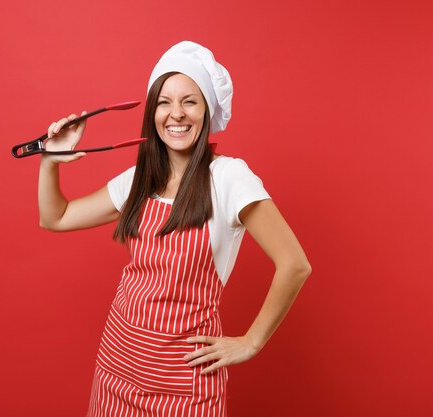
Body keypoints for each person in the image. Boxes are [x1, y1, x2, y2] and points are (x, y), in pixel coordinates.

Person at [37, 41, 311, 417]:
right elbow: (57, 217)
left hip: (185, 384)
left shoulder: (229, 178)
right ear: (152, 112)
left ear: (208, 111)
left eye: (189, 101)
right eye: (164, 102)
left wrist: (252, 342)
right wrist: (51, 158)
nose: (175, 114)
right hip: (117, 367)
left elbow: (295, 263)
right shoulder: (140, 179)